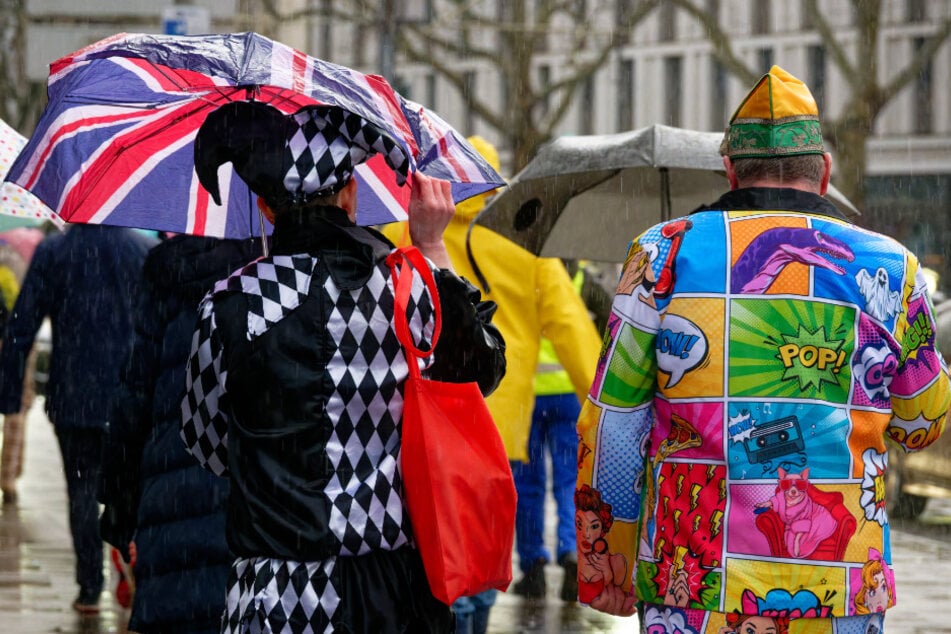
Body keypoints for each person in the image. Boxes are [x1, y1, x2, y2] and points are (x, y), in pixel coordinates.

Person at [575, 65, 950, 634]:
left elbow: (612, 422)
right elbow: (924, 422)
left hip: (694, 584)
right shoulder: (892, 266)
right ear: (824, 172)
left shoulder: (661, 253)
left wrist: (608, 564)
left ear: (729, 169)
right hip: (842, 588)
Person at [181, 101, 506, 634]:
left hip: (275, 590)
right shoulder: (407, 288)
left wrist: (276, 467)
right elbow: (484, 367)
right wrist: (431, 246)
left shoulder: (229, 305)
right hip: (393, 588)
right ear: (351, 194)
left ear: (265, 209)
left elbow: (206, 442)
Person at [381, 137, 602, 619]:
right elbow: (570, 328)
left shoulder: (402, 230)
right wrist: (601, 409)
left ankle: (448, 604)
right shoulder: (522, 244)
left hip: (423, 415)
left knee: (432, 531)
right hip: (496, 415)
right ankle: (472, 603)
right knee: (482, 536)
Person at [99, 235, 261, 633]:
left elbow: (134, 395)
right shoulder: (293, 274)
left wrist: (119, 502)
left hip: (172, 495)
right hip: (264, 514)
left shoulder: (168, 273)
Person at [0, 224, 156, 613]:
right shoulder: (142, 251)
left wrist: (9, 396)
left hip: (74, 395)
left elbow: (22, 325)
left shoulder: (55, 251)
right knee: (129, 489)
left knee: (81, 491)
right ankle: (130, 562)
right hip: (127, 396)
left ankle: (89, 586)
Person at [0, 240, 32, 505]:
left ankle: (9, 475)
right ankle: (9, 476)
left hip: (14, 344)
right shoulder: (19, 260)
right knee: (17, 416)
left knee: (16, 415)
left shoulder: (16, 261)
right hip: (18, 347)